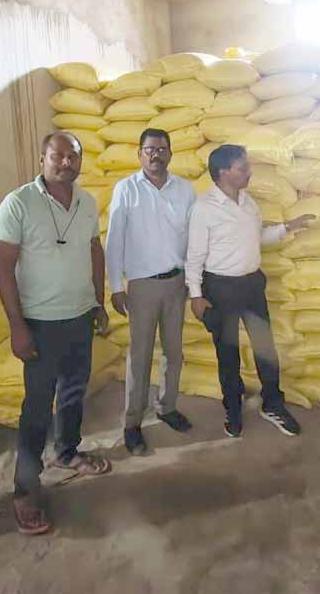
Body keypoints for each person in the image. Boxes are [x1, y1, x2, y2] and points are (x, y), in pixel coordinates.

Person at [0, 132, 112, 536]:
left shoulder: (87, 202)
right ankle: (25, 490)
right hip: (40, 323)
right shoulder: (18, 204)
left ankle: (68, 452)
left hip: (79, 316)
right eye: (57, 156)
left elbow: (94, 251)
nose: (65, 163)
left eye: (73, 156)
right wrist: (17, 326)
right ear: (42, 158)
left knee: (75, 392)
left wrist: (98, 302)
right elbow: (3, 268)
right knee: (38, 407)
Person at [186, 145, 314, 438]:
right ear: (223, 172)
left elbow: (256, 237)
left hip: (252, 285)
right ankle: (232, 408)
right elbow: (194, 256)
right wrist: (196, 295)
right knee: (227, 353)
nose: (249, 172)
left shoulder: (248, 202)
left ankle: (273, 404)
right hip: (220, 288)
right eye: (242, 168)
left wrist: (287, 227)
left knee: (265, 348)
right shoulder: (204, 208)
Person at [106, 129, 196, 456]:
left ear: (170, 153)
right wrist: (116, 287)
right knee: (140, 357)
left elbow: (194, 237)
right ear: (139, 154)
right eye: (149, 149)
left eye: (161, 149)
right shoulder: (126, 189)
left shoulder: (185, 190)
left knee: (174, 352)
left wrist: (193, 279)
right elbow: (114, 240)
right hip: (142, 286)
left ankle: (167, 407)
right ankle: (132, 423)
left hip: (176, 283)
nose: (155, 154)